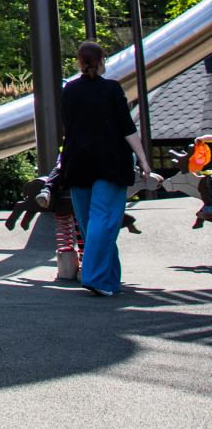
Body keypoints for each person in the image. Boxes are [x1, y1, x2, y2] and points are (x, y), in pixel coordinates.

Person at [58, 40, 162, 297]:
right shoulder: (112, 89)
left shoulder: (69, 90)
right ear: (102, 61)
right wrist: (144, 161)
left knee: (90, 223)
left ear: (79, 62)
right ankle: (96, 277)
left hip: (78, 161)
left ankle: (110, 279)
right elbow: (127, 128)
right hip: (110, 161)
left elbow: (68, 127)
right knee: (105, 221)